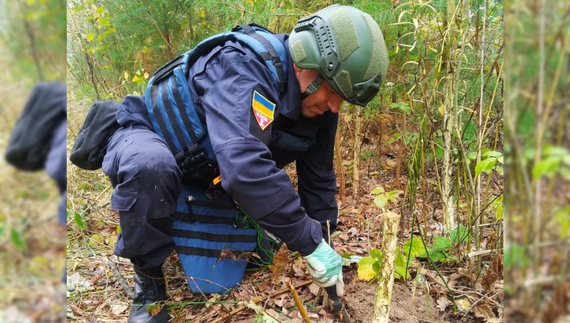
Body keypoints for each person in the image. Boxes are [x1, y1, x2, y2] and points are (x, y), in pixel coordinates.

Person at [101, 5, 388, 322]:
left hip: (208, 180)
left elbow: (318, 179)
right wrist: (306, 241)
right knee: (150, 166)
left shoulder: (320, 109)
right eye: (332, 91)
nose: (335, 106)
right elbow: (244, 166)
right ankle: (149, 286)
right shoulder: (245, 68)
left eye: (342, 100)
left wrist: (323, 245)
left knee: (219, 280)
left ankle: (219, 229)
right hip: (147, 141)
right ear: (307, 63)